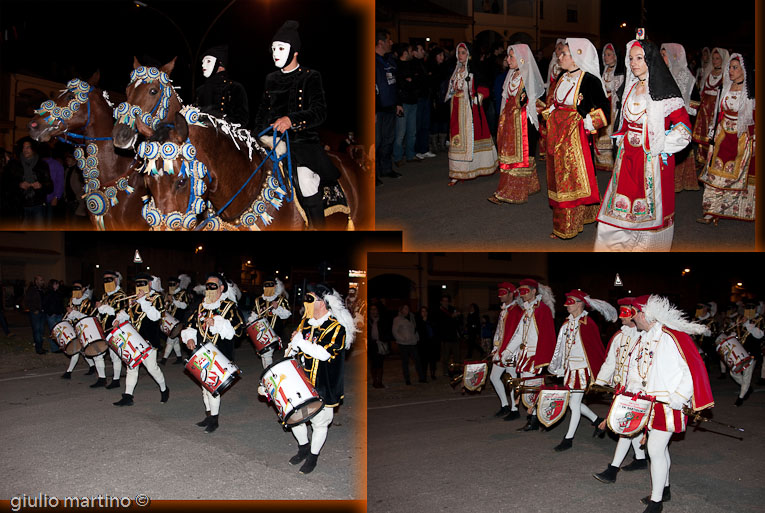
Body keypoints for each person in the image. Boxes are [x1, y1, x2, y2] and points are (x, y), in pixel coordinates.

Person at [594, 39, 692, 251]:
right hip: (627, 158)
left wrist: (660, 144)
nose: (634, 63)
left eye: (640, 58)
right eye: (631, 58)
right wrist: (621, 138)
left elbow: (684, 128)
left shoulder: (664, 92)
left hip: (651, 160)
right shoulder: (630, 88)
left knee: (649, 211)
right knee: (619, 209)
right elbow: (625, 121)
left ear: (651, 61)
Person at [254, 20, 342, 229]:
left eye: (281, 48)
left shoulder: (310, 77)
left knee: (305, 180)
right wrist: (256, 134)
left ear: (294, 52)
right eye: (273, 48)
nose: (275, 52)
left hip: (303, 143)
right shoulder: (270, 79)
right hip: (272, 141)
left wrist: (291, 121)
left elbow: (320, 112)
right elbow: (261, 113)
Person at [630, 295, 713, 513]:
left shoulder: (672, 336)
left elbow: (690, 370)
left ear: (644, 314)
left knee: (654, 448)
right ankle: (664, 489)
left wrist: (679, 397)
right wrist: (635, 388)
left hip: (669, 403)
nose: (632, 318)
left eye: (633, 313)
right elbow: (640, 368)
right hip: (650, 401)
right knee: (660, 449)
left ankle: (656, 502)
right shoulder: (645, 337)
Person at [274, 283, 354, 474]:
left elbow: (323, 354)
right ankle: (303, 447)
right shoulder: (305, 324)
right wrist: (292, 348)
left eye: (310, 299)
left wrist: (300, 341)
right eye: (306, 298)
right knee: (295, 416)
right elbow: (293, 350)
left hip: (324, 383)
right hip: (301, 381)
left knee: (320, 422)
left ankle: (313, 456)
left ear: (324, 303)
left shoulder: (337, 328)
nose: (305, 303)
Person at [543, 38, 610, 239]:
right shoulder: (562, 78)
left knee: (571, 182)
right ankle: (581, 218)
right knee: (559, 178)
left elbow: (604, 109)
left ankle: (566, 227)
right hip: (557, 135)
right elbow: (556, 102)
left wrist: (587, 122)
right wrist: (548, 111)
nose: (559, 56)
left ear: (577, 57)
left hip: (576, 139)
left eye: (564, 54)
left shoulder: (590, 80)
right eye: (560, 53)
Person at [548, 290, 614, 451]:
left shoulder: (588, 324)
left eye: (570, 303)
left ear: (579, 304)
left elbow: (595, 350)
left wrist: (598, 375)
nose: (566, 306)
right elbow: (560, 348)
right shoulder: (566, 324)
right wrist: (559, 367)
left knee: (574, 404)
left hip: (583, 370)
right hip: (570, 369)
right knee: (573, 403)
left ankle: (568, 438)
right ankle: (597, 421)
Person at [592, 298, 648, 484]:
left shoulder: (644, 337)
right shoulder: (619, 336)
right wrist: (599, 382)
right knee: (631, 428)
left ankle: (613, 469)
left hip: (637, 391)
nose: (621, 318)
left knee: (625, 428)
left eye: (625, 314)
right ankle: (640, 459)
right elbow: (610, 362)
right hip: (621, 390)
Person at [182, 273, 244, 432]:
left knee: (212, 387)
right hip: (202, 353)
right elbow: (191, 325)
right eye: (207, 286)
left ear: (221, 288)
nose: (209, 289)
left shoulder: (229, 306)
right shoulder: (201, 305)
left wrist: (218, 322)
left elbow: (237, 331)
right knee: (204, 386)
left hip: (221, 354)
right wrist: (190, 338)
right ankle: (209, 415)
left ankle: (214, 420)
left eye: (213, 286)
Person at [698, 53, 755, 224]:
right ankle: (710, 211)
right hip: (722, 136)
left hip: (740, 138)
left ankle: (723, 209)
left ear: (744, 70)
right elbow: (718, 113)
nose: (730, 70)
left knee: (733, 176)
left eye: (735, 67)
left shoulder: (752, 92)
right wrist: (712, 133)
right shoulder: (725, 88)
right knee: (713, 174)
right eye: (729, 67)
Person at [488, 44, 545, 205]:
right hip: (510, 121)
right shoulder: (511, 75)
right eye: (508, 56)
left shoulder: (528, 77)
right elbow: (506, 98)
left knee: (521, 156)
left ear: (521, 59)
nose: (508, 59)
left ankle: (514, 191)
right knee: (508, 153)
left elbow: (539, 103)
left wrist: (522, 112)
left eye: (511, 56)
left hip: (522, 123)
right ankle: (526, 186)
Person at [505, 279, 556, 432]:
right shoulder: (527, 310)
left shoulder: (542, 309)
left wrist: (542, 358)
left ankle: (535, 419)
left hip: (535, 356)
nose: (522, 294)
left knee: (530, 389)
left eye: (525, 290)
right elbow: (519, 333)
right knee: (529, 389)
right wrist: (507, 351)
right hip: (524, 355)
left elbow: (547, 336)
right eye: (521, 291)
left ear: (534, 291)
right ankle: (535, 418)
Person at [445, 42, 498, 186]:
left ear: (468, 54)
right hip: (456, 108)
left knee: (472, 138)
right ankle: (457, 171)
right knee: (457, 139)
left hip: (470, 109)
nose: (460, 55)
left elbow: (484, 86)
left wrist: (478, 96)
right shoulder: (456, 70)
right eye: (459, 52)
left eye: (463, 52)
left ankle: (475, 167)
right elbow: (450, 88)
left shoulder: (473, 69)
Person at [113, 274, 169, 407]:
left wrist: (143, 301)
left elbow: (155, 316)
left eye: (142, 283)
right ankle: (128, 396)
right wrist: (118, 318)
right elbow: (126, 313)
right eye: (137, 284)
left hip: (149, 340)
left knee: (152, 368)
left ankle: (164, 389)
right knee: (131, 367)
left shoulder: (156, 298)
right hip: (134, 339)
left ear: (150, 284)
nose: (139, 287)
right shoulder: (133, 298)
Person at [661, 43, 701, 192]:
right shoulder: (662, 73)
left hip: (679, 121)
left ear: (674, 56)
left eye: (664, 55)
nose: (662, 58)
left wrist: (682, 116)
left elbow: (695, 101)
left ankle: (677, 183)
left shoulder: (686, 76)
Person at [2, 138, 53, 228]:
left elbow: (50, 186)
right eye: (24, 147)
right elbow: (7, 185)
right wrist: (19, 185)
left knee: (38, 235)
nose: (25, 150)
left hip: (38, 204)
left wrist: (41, 186)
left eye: (28, 147)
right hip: (20, 206)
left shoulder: (42, 165)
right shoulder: (14, 164)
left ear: (33, 149)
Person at [489, 282, 521, 421]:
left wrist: (509, 351)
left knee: (511, 380)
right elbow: (499, 331)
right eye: (499, 293)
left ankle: (515, 409)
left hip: (511, 352)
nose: (500, 296)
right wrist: (495, 348)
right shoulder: (504, 311)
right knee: (494, 377)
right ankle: (505, 405)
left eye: (503, 293)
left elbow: (517, 334)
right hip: (501, 350)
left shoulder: (517, 311)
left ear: (511, 293)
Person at [692, 48, 730, 167]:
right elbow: (703, 89)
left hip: (715, 110)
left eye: (717, 59)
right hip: (705, 109)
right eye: (713, 58)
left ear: (723, 59)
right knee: (703, 134)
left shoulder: (725, 75)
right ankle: (702, 158)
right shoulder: (709, 72)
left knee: (712, 135)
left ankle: (711, 159)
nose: (714, 61)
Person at [195, 45, 249, 126]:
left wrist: (222, 122)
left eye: (208, 61)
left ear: (220, 64)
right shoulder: (200, 90)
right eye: (202, 62)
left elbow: (242, 119)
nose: (203, 65)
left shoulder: (235, 88)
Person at [375, 29, 403, 182]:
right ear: (381, 42)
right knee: (377, 142)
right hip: (378, 109)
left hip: (390, 106)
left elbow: (394, 84)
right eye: (389, 40)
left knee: (388, 140)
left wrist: (398, 103)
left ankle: (386, 169)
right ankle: (374, 174)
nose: (391, 43)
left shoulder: (389, 60)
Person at [94, 270, 129, 389]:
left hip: (114, 329)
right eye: (105, 280)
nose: (106, 282)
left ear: (115, 280)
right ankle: (102, 378)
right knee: (97, 353)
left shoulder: (121, 295)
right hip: (103, 329)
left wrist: (102, 307)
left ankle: (116, 380)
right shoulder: (105, 295)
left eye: (109, 279)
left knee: (115, 355)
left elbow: (119, 311)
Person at [247, 276, 291, 369]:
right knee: (264, 355)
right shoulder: (258, 300)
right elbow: (254, 314)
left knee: (267, 355)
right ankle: (267, 375)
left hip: (274, 332)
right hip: (260, 332)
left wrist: (277, 308)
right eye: (266, 285)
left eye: (271, 286)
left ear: (275, 286)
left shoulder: (280, 299)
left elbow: (287, 314)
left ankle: (269, 376)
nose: (268, 288)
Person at [594, 43, 626, 171]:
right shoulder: (603, 70)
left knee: (611, 130)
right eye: (605, 55)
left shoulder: (620, 71)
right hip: (603, 103)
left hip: (614, 104)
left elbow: (619, 90)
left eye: (609, 54)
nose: (606, 57)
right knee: (602, 130)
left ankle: (612, 160)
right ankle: (601, 160)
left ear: (615, 56)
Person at [60, 281, 98, 382]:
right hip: (73, 328)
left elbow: (87, 316)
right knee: (81, 350)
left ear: (83, 289)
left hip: (83, 327)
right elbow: (69, 315)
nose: (76, 290)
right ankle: (92, 366)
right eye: (74, 287)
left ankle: (69, 372)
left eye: (78, 288)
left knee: (76, 349)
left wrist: (74, 313)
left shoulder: (86, 302)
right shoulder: (71, 301)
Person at [393, 43, 421, 166]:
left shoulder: (412, 65)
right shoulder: (397, 66)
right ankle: (398, 157)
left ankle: (410, 154)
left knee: (412, 131)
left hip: (413, 101)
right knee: (400, 132)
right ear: (405, 53)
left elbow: (418, 81)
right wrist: (409, 81)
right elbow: (400, 84)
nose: (412, 52)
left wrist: (411, 81)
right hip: (403, 102)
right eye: (410, 50)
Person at [538, 39, 565, 161]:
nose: (557, 51)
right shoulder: (553, 62)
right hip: (551, 94)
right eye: (557, 48)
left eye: (560, 48)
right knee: (547, 121)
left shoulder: (564, 64)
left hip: (560, 93)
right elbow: (550, 79)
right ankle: (548, 148)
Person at [160, 274, 191, 365]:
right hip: (169, 320)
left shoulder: (182, 293)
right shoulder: (168, 293)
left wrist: (173, 300)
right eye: (169, 284)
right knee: (175, 340)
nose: (171, 286)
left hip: (178, 320)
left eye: (173, 284)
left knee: (171, 339)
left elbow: (184, 305)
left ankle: (164, 359)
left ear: (177, 284)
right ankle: (179, 358)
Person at [412, 43, 436, 161]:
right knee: (418, 125)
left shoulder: (424, 63)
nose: (423, 51)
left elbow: (428, 78)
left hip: (426, 96)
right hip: (419, 98)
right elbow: (418, 80)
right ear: (414, 52)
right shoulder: (413, 64)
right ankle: (416, 150)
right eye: (421, 49)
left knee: (425, 125)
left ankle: (424, 148)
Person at [392, 304, 423, 384]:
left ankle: (421, 378)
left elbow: (414, 329)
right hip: (403, 344)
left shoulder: (412, 317)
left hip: (412, 342)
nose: (407, 310)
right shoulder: (397, 319)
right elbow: (395, 331)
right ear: (401, 310)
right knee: (405, 362)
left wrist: (416, 337)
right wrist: (402, 338)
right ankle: (407, 379)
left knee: (417, 360)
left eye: (408, 308)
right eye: (405, 308)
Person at [435, 294, 460, 375]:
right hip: (445, 337)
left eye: (447, 301)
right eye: (444, 301)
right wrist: (451, 317)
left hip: (454, 336)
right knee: (445, 356)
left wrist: (457, 316)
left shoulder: (452, 309)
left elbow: (457, 320)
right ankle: (445, 371)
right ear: (441, 302)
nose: (446, 302)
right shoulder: (439, 311)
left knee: (456, 355)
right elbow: (441, 323)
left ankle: (456, 369)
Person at [368, 303, 391, 388]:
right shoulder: (368, 321)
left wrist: (383, 339)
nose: (374, 311)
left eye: (375, 309)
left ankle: (380, 381)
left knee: (380, 364)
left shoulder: (382, 320)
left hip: (381, 344)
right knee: (373, 364)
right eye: (372, 310)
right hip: (371, 345)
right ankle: (375, 381)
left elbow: (387, 331)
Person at [24, 275, 47, 354]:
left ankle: (40, 346)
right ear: (36, 281)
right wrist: (34, 310)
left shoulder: (42, 290)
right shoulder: (32, 290)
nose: (42, 281)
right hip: (36, 313)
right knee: (37, 330)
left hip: (42, 312)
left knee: (41, 330)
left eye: (42, 280)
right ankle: (38, 348)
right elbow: (27, 301)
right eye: (41, 280)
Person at [42, 279, 66, 353]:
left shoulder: (59, 293)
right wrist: (50, 312)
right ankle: (54, 348)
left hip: (59, 314)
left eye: (57, 284)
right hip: (52, 315)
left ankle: (59, 346)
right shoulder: (48, 293)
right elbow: (45, 304)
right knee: (53, 331)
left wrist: (62, 312)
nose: (57, 285)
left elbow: (61, 303)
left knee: (59, 331)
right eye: (56, 284)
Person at [416, 306, 437, 380]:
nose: (424, 313)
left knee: (432, 360)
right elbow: (419, 331)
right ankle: (423, 375)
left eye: (425, 311)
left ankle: (433, 374)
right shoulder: (418, 320)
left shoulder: (431, 320)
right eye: (422, 311)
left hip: (431, 342)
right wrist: (423, 322)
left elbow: (435, 329)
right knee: (423, 360)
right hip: (423, 344)